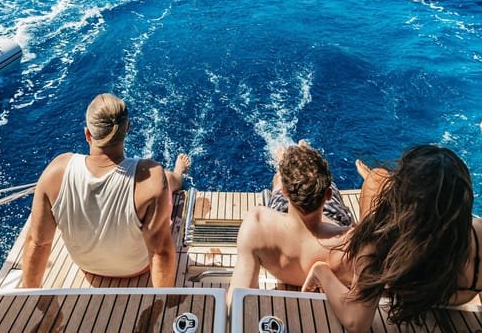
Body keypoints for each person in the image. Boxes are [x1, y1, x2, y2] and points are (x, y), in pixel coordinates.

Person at [302, 145, 482, 333]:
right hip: (452, 282)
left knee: (374, 180)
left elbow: (356, 321)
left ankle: (378, 180)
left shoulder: (381, 237)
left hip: (400, 276)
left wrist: (321, 271)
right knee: (376, 180)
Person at [20, 93, 190, 288]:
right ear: (127, 128)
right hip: (137, 268)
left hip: (87, 266)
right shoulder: (151, 176)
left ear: (87, 134)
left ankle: (175, 175)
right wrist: (162, 303)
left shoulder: (56, 172)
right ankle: (178, 173)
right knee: (166, 180)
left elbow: (38, 243)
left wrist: (30, 298)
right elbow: (160, 251)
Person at [227, 141, 354, 308]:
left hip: (284, 214)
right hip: (331, 217)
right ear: (328, 195)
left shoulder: (257, 225)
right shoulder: (350, 242)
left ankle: (283, 166)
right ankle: (304, 156)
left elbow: (236, 300)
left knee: (278, 181)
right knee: (326, 182)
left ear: (285, 193)